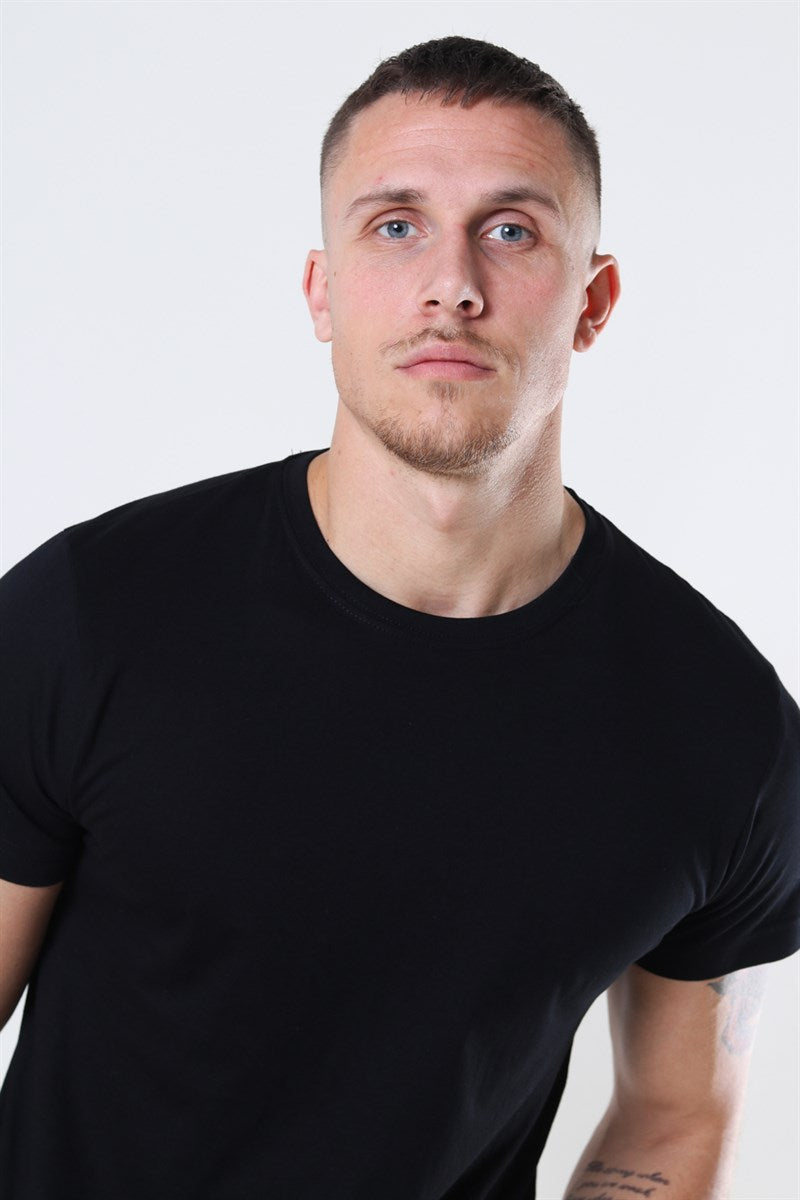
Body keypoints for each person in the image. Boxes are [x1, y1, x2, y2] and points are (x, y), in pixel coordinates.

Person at [0, 34, 798, 1199]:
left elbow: (673, 1114)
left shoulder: (722, 731)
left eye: (510, 230)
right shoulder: (91, 616)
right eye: (394, 225)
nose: (451, 284)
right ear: (321, 292)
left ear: (592, 301)